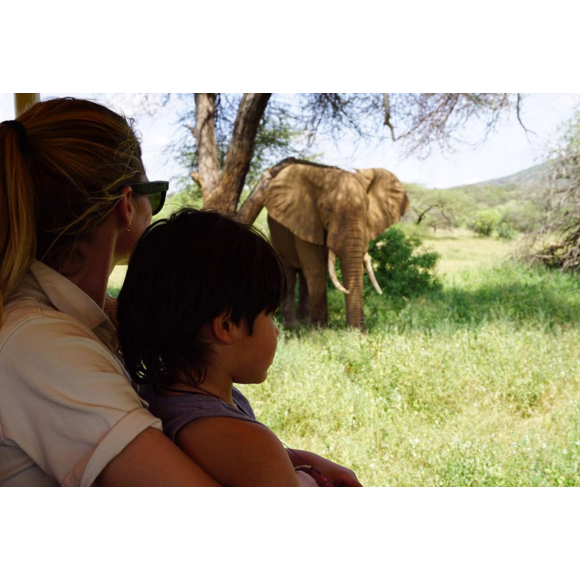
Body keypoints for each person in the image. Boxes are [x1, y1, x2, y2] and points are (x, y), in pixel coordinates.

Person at [0, 96, 361, 487]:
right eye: (152, 197)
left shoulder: (86, 319)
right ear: (126, 205)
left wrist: (296, 459)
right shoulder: (39, 344)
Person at [116, 208, 347, 487]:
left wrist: (305, 462)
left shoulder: (160, 391)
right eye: (270, 314)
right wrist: (307, 479)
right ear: (226, 327)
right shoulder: (247, 442)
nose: (275, 329)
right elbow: (255, 459)